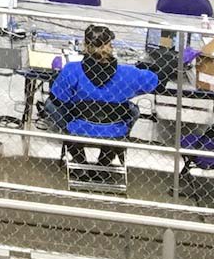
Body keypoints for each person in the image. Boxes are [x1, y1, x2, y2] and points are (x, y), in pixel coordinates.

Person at [49, 24, 160, 170]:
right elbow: (154, 80)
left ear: (85, 45)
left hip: (79, 127)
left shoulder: (72, 70)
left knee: (50, 105)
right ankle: (106, 161)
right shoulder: (127, 73)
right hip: (114, 129)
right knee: (133, 110)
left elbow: (57, 99)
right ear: (110, 46)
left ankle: (79, 160)